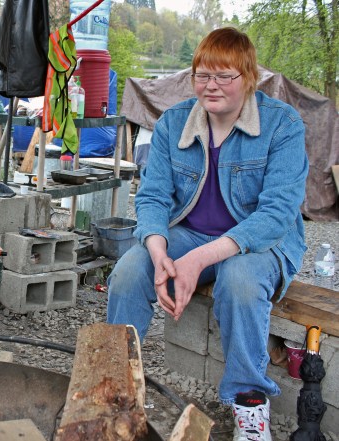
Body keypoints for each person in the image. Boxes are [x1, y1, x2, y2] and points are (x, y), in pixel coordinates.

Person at [106, 28, 308, 441]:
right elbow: (153, 198)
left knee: (240, 280)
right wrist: (159, 250)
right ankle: (114, 389)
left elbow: (276, 215)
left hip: (257, 243)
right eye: (203, 75)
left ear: (249, 77)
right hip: (191, 233)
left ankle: (249, 403)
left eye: (225, 76)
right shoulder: (174, 123)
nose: (211, 86)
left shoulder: (282, 125)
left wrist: (198, 260)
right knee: (129, 270)